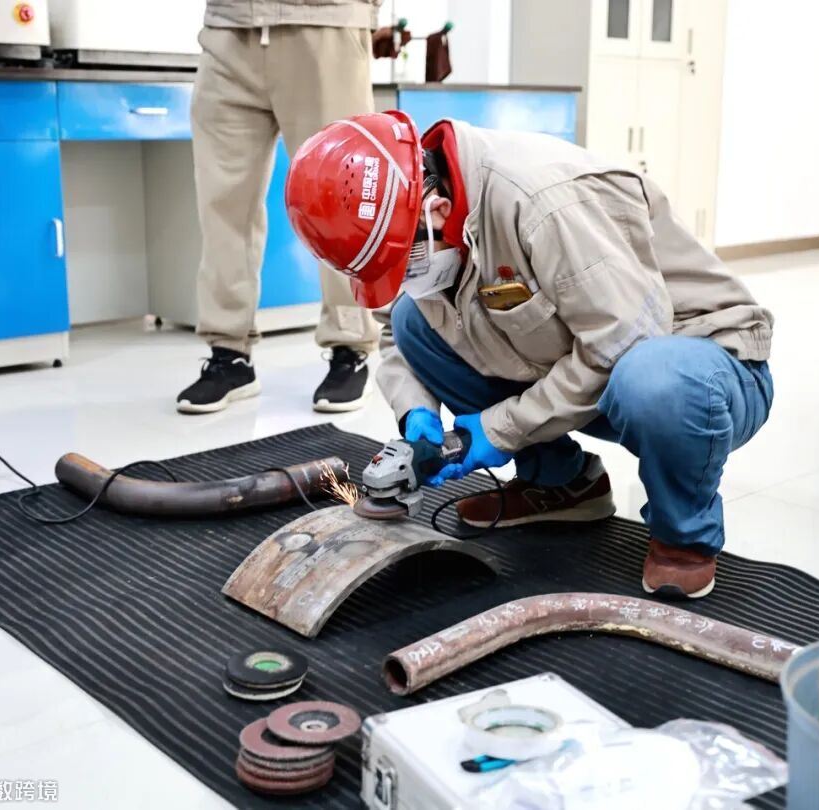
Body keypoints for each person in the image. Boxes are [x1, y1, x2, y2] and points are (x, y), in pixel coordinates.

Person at [285, 112, 775, 599]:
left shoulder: (543, 202)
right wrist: (415, 411)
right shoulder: (414, 221)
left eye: (403, 264)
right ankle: (563, 485)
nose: (405, 276)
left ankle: (682, 536)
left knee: (653, 379)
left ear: (436, 209)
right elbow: (396, 329)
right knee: (416, 320)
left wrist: (499, 429)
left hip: (703, 370)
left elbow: (623, 343)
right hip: (597, 365)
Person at [176, 0, 383, 415]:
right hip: (228, 29)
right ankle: (229, 352)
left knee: (340, 196)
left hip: (322, 25)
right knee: (222, 204)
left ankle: (351, 346)